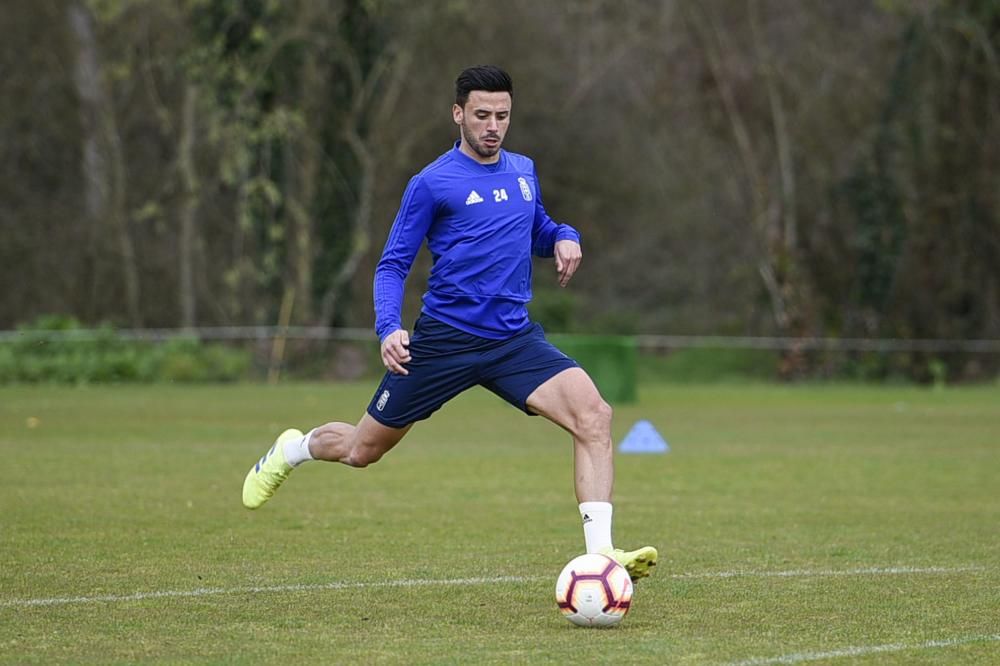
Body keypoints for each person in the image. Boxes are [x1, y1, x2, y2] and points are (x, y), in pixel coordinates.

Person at [242, 65, 657, 581]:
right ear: (458, 113)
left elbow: (538, 228)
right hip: (443, 342)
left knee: (594, 416)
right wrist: (388, 327)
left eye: (502, 116)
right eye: (482, 115)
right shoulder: (432, 182)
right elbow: (393, 263)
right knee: (360, 451)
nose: (493, 126)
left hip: (513, 340)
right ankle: (293, 449)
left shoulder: (524, 170)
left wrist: (565, 236)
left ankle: (600, 558)